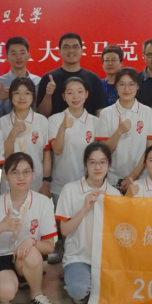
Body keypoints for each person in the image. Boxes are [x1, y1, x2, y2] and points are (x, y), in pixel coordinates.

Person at [0, 152, 60, 304]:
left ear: (33, 173)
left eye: (26, 172)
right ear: (6, 176)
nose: (21, 177)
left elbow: (50, 247)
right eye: (15, 172)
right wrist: (0, 227)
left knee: (32, 252)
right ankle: (4, 286)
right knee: (6, 293)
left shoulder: (43, 202)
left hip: (24, 256)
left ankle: (37, 295)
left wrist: (32, 241)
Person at [55, 142, 121, 304]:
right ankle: (75, 275)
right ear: (85, 164)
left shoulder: (114, 194)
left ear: (109, 164)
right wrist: (84, 208)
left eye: (102, 162)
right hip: (78, 256)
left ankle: (87, 280)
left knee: (117, 292)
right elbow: (64, 230)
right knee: (78, 291)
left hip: (105, 258)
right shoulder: (70, 190)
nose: (97, 167)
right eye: (92, 162)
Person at [47, 77, 99, 265]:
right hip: (62, 182)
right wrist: (63, 127)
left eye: (79, 91)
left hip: (87, 183)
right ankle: (61, 248)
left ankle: (82, 257)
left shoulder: (95, 122)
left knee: (84, 222)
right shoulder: (55, 120)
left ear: (86, 94)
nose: (75, 96)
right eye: (70, 92)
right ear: (63, 96)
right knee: (63, 222)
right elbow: (57, 150)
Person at [96, 67, 152, 190]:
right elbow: (103, 151)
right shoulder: (106, 114)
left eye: (131, 84)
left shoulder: (147, 112)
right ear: (116, 86)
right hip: (113, 178)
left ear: (137, 86)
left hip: (142, 178)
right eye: (122, 84)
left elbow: (150, 150)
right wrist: (119, 131)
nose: (127, 89)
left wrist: (133, 176)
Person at [0, 77, 51, 195]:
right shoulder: (2, 122)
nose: (22, 97)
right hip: (10, 183)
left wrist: (46, 182)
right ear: (11, 96)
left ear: (33, 96)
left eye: (27, 93)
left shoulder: (42, 121)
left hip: (36, 182)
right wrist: (13, 133)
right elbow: (3, 156)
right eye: (17, 93)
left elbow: (46, 154)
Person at [37, 33, 107, 117]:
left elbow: (100, 110)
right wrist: (48, 95)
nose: (71, 50)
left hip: (87, 125)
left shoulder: (93, 79)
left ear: (82, 50)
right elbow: (42, 114)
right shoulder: (48, 78)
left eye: (75, 47)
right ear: (59, 51)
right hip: (57, 125)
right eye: (66, 47)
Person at [0, 37, 41, 117]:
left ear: (28, 55)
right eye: (13, 53)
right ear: (7, 57)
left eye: (22, 53)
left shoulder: (38, 81)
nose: (18, 57)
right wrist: (0, 99)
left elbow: (41, 111)